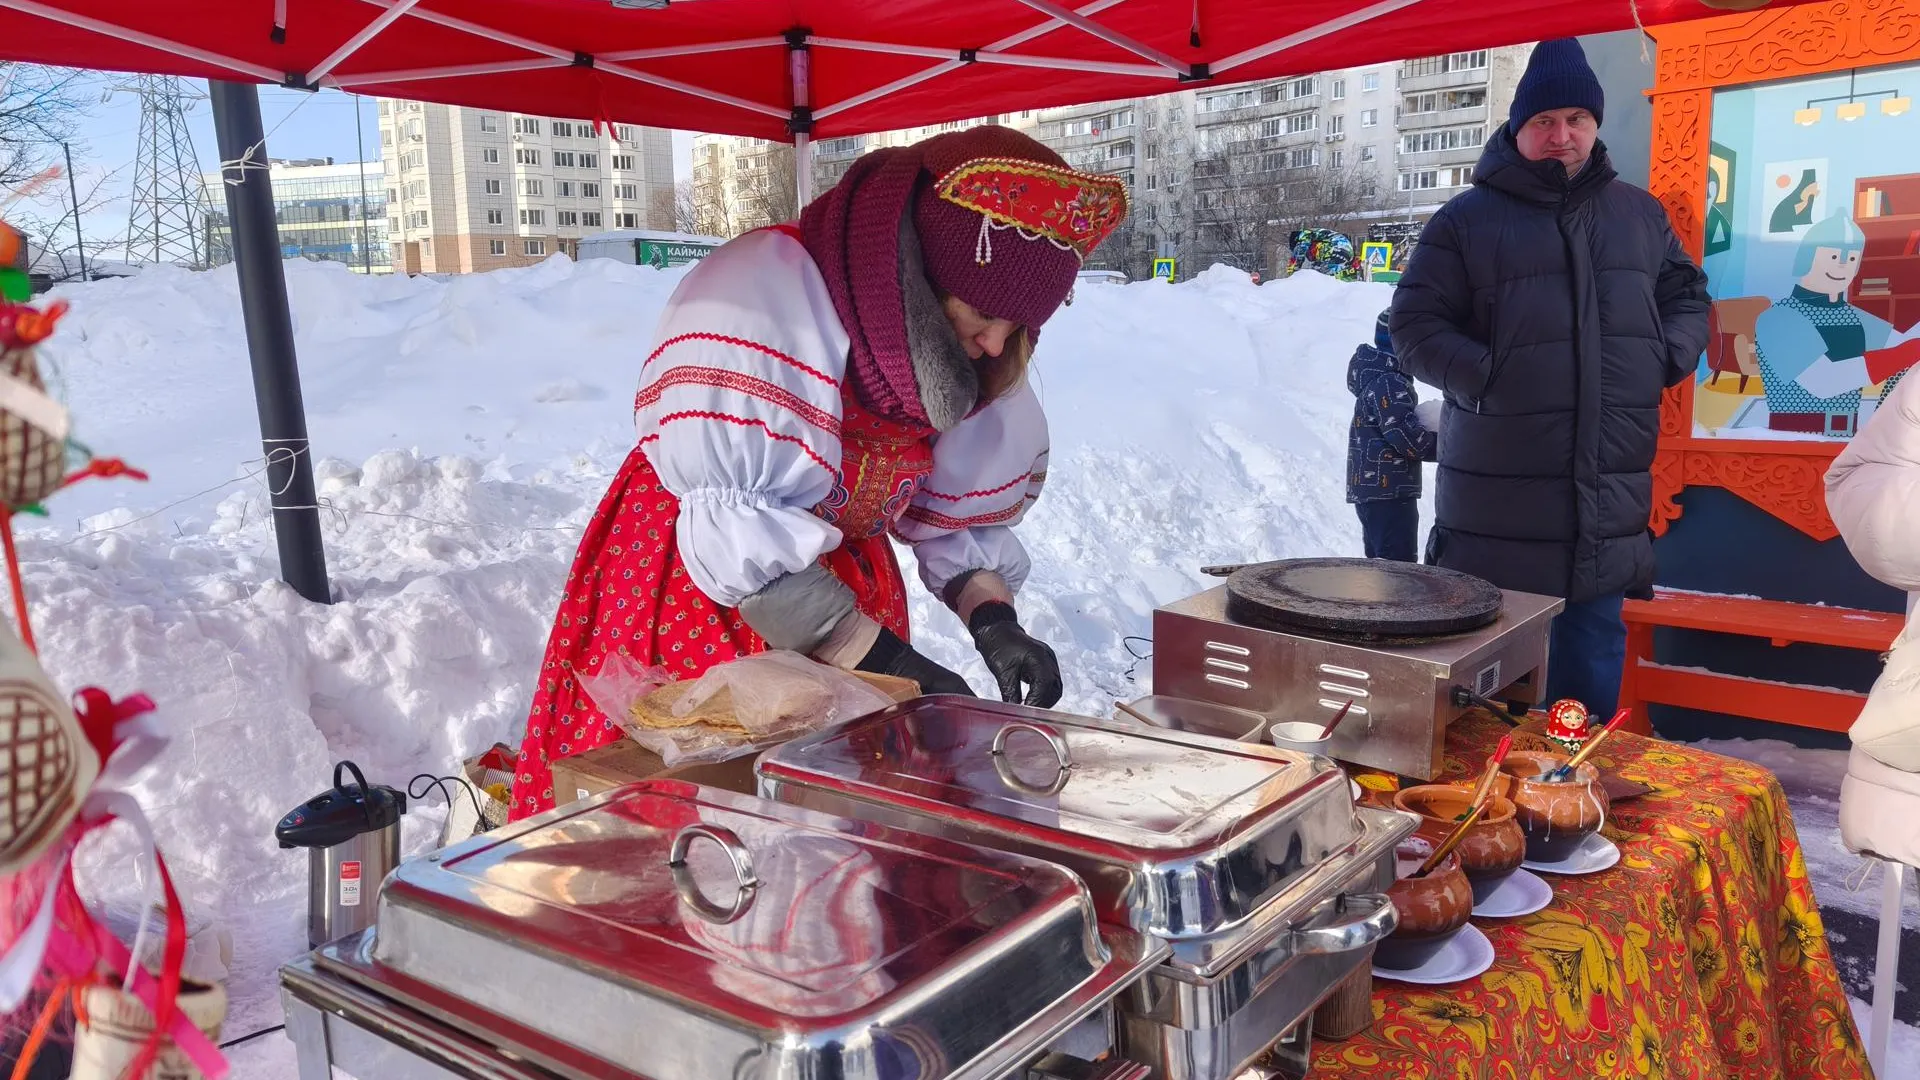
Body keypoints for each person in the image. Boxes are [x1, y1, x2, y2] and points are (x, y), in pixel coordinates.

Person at [509, 125, 1129, 819]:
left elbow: (953, 512)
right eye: (983, 314)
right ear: (920, 279)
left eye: (1018, 329)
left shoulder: (972, 351)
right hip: (706, 577)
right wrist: (887, 662)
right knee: (712, 798)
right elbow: (748, 552)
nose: (993, 345)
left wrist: (993, 620)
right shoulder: (765, 295)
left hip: (845, 582)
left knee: (840, 796)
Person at [1389, 38, 1711, 718]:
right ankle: (1490, 785)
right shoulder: (1465, 221)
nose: (1561, 135)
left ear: (1595, 124)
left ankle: (1573, 778)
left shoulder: (1639, 215)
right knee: (1487, 682)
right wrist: (1491, 376)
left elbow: (1687, 297)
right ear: (1518, 127)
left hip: (1605, 507)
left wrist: (1664, 356)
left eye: (1576, 119)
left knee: (1588, 671)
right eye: (1544, 121)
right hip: (1495, 510)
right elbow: (1413, 327)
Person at [1753, 211, 1920, 438]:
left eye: (1851, 259)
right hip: (1793, 438)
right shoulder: (1777, 319)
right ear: (1808, 256)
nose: (1842, 266)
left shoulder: (1855, 317)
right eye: (1833, 257)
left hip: (1849, 438)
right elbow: (1824, 381)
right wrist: (1906, 353)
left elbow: (1906, 346)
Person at [1346, 309, 1436, 561]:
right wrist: (1446, 446)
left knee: (1381, 563)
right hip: (1390, 491)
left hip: (1373, 491)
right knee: (1398, 566)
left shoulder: (1377, 378)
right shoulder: (1390, 382)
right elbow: (1403, 434)